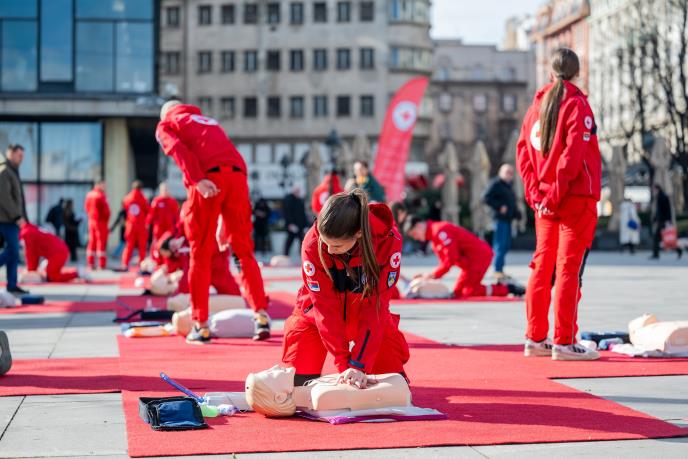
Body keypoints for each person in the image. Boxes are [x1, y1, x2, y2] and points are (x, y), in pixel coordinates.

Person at [156, 100, 268, 344]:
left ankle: (201, 324)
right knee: (243, 251)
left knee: (200, 253)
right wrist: (223, 223)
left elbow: (175, 147)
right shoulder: (208, 122)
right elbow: (226, 158)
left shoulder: (168, 123)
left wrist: (196, 179)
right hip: (238, 175)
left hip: (208, 176)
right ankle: (261, 314)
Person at [516, 48, 601, 361]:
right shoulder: (577, 104)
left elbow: (523, 154)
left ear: (550, 73)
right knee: (568, 269)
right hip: (573, 199)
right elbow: (573, 157)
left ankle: (535, 338)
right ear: (577, 72)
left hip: (544, 202)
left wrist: (537, 196)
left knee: (541, 268)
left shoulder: (535, 107)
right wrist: (554, 194)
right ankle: (565, 340)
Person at [281, 189, 409, 387]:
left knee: (395, 388)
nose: (329, 250)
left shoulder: (388, 241)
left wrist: (359, 365)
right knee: (296, 387)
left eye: (337, 246)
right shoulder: (313, 242)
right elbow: (324, 308)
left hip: (368, 316)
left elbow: (376, 307)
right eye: (325, 243)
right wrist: (343, 364)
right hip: (315, 318)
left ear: (358, 233)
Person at [403, 216, 524, 298]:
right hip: (470, 263)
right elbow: (446, 261)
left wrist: (432, 275)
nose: (416, 238)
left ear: (418, 225)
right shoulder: (435, 237)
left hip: (478, 258)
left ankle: (508, 288)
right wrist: (429, 275)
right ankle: (504, 287)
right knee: (457, 293)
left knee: (469, 291)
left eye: (414, 234)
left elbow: (451, 258)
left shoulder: (440, 232)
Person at [483, 164, 522, 280]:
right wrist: (499, 206)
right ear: (500, 172)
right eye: (507, 172)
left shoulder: (508, 185)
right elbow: (485, 197)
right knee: (500, 245)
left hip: (508, 219)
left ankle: (500, 270)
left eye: (511, 172)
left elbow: (511, 201)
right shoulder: (495, 183)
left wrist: (516, 213)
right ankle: (497, 270)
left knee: (505, 245)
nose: (509, 175)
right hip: (499, 219)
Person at [0, 144, 30, 294]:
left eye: (22, 156)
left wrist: (23, 217)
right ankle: (11, 283)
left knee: (14, 252)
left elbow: (18, 199)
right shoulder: (4, 171)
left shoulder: (13, 171)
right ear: (10, 153)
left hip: (12, 220)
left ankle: (12, 284)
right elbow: (4, 197)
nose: (21, 158)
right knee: (13, 250)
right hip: (6, 219)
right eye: (19, 155)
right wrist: (16, 216)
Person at [120, 180, 150, 269]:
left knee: (129, 245)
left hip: (130, 225)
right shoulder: (143, 198)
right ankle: (142, 265)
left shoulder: (127, 198)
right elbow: (148, 210)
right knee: (142, 247)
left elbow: (124, 209)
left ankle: (125, 264)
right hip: (141, 225)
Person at [147, 182, 179, 257]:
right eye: (164, 189)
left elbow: (177, 216)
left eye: (166, 189)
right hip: (158, 229)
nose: (165, 191)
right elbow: (151, 214)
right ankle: (156, 259)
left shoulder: (173, 202)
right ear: (160, 190)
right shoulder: (156, 201)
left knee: (167, 247)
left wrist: (178, 227)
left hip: (169, 229)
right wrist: (147, 223)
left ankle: (166, 261)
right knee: (156, 245)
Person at [650, 184, 682, 259]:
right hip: (661, 220)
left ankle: (656, 254)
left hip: (663, 221)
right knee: (663, 238)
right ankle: (677, 250)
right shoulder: (659, 197)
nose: (653, 192)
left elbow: (667, 210)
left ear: (657, 189)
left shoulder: (663, 197)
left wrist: (668, 220)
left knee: (659, 237)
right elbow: (659, 211)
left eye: (654, 190)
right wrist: (655, 219)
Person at [84, 180, 111, 270]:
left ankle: (90, 263)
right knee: (101, 242)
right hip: (100, 222)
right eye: (104, 185)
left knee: (92, 241)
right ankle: (101, 264)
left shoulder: (89, 195)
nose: (105, 187)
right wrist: (106, 221)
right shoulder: (101, 196)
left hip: (91, 221)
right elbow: (106, 211)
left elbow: (86, 208)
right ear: (99, 185)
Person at [283, 186, 308, 257]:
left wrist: (305, 225)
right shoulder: (289, 199)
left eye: (298, 191)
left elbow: (303, 214)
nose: (298, 193)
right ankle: (285, 256)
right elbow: (287, 213)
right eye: (296, 191)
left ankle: (302, 256)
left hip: (300, 225)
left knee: (302, 241)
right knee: (289, 241)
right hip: (292, 225)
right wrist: (290, 224)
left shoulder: (300, 200)